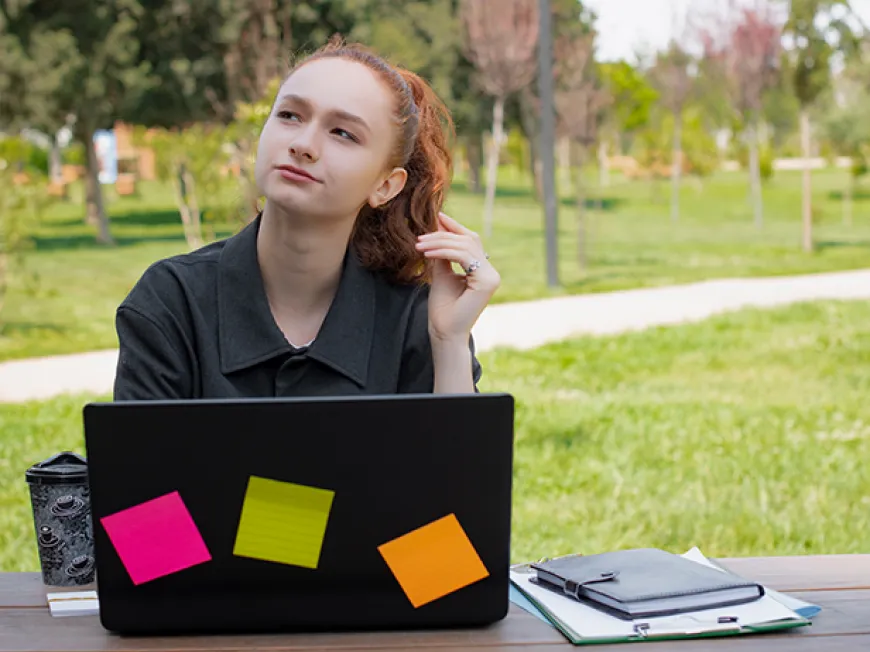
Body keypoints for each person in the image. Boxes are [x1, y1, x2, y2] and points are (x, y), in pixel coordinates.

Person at [112, 39, 500, 400]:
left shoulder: (415, 320)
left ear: (386, 185)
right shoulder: (171, 301)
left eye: (343, 133)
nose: (302, 144)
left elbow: (456, 472)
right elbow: (141, 471)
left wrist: (448, 342)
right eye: (290, 115)